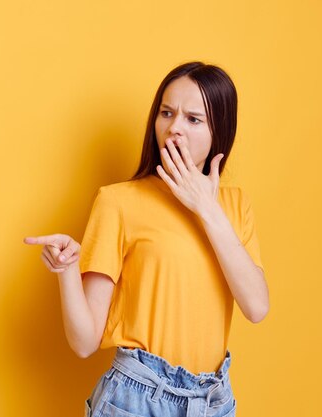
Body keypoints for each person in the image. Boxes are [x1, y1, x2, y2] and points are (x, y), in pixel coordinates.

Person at [24, 61, 269, 417]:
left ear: (220, 130)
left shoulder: (235, 205)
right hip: (136, 399)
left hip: (213, 402)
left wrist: (206, 208)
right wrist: (67, 270)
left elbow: (256, 307)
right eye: (166, 113)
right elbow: (84, 342)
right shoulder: (118, 201)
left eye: (193, 119)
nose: (174, 128)